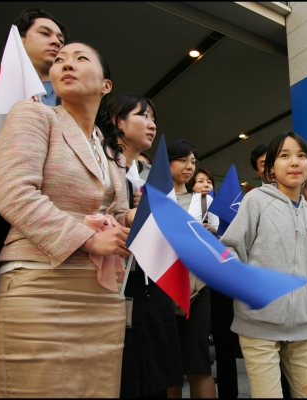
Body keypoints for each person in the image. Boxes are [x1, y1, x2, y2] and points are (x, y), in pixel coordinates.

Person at [0, 42, 131, 397]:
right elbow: (14, 192)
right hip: (39, 283)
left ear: (106, 85)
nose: (66, 64)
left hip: (101, 294)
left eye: (81, 58)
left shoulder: (107, 147)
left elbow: (111, 215)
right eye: (59, 60)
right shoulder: (32, 114)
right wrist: (87, 238)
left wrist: (129, 222)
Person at [220, 132, 307, 398]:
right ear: (270, 168)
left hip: (303, 331)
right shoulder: (256, 200)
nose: (294, 162)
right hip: (257, 325)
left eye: (301, 156)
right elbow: (229, 249)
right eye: (285, 155)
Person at [100, 93, 184, 398]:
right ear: (117, 121)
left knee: (157, 375)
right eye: (142, 116)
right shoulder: (101, 163)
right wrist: (126, 217)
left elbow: (172, 230)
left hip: (154, 282)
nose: (151, 124)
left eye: (153, 119)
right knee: (123, 374)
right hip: (116, 282)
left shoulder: (154, 177)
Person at [0, 8, 68, 312]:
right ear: (20, 39)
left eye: (60, 39)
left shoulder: (62, 104)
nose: (56, 43)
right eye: (45, 34)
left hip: (30, 226)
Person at [166, 140, 217, 398]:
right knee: (167, 366)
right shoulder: (155, 198)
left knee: (199, 361)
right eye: (183, 160)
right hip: (162, 284)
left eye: (193, 161)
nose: (189, 166)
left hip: (197, 287)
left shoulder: (202, 201)